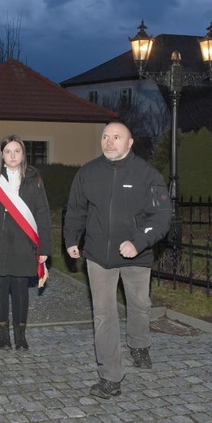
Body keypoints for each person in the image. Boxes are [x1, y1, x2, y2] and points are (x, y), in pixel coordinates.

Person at [64, 121, 171, 399]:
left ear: (130, 142)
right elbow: (75, 209)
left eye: (116, 137)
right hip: (99, 256)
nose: (109, 142)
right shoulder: (88, 173)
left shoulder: (147, 175)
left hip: (137, 256)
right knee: (103, 314)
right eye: (105, 137)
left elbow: (161, 216)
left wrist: (138, 242)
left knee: (139, 305)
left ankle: (139, 345)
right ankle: (110, 376)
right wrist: (71, 239)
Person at [0, 135, 52, 350]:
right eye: (8, 152)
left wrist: (44, 247)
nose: (12, 155)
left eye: (17, 151)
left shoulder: (34, 177)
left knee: (20, 290)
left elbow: (42, 213)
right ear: (2, 155)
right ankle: (3, 334)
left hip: (24, 244)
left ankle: (20, 334)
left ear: (23, 153)